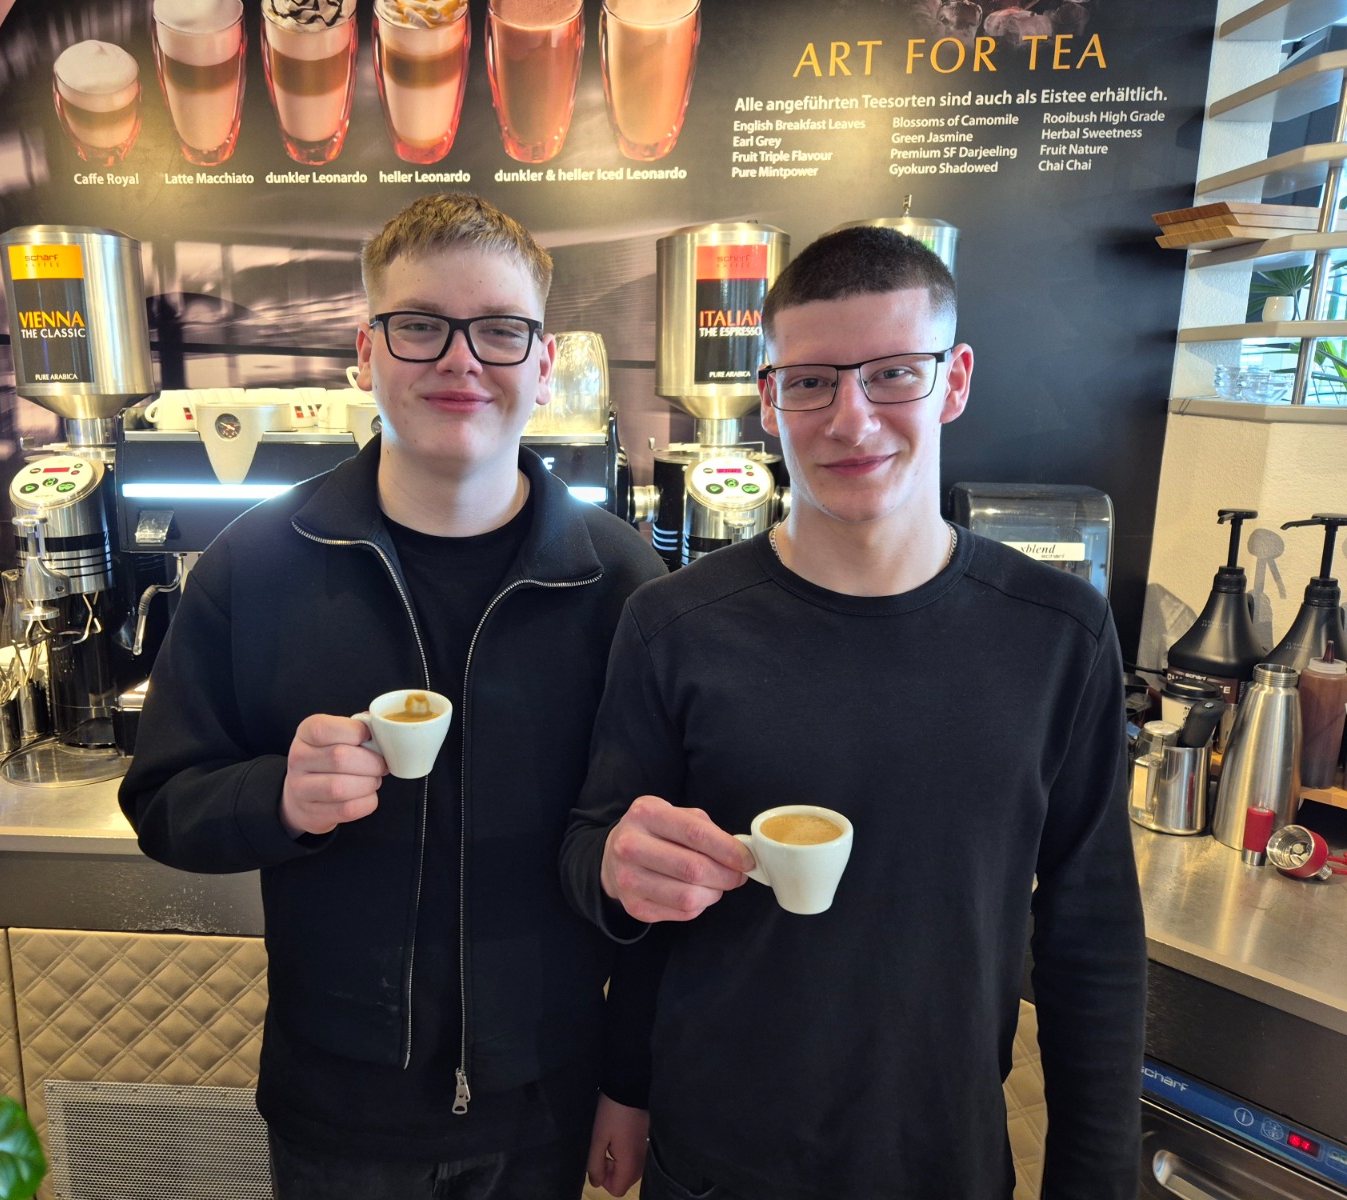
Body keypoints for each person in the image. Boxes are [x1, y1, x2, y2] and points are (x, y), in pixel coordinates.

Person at [560, 226, 1146, 1200]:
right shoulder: (672, 624)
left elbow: (1092, 935)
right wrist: (624, 1074)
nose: (851, 419)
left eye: (892, 374)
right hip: (714, 1152)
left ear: (953, 380)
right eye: (811, 382)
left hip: (942, 1152)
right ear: (768, 400)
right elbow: (602, 854)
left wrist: (1095, 1181)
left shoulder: (1059, 634)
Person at [119, 194, 664, 1200]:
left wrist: (628, 1082)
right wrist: (280, 798)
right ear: (366, 353)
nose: (461, 361)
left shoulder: (623, 584)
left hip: (544, 1105)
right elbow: (162, 804)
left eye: (499, 330)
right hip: (335, 1112)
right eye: (420, 326)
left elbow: (646, 866)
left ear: (543, 364)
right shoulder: (255, 564)